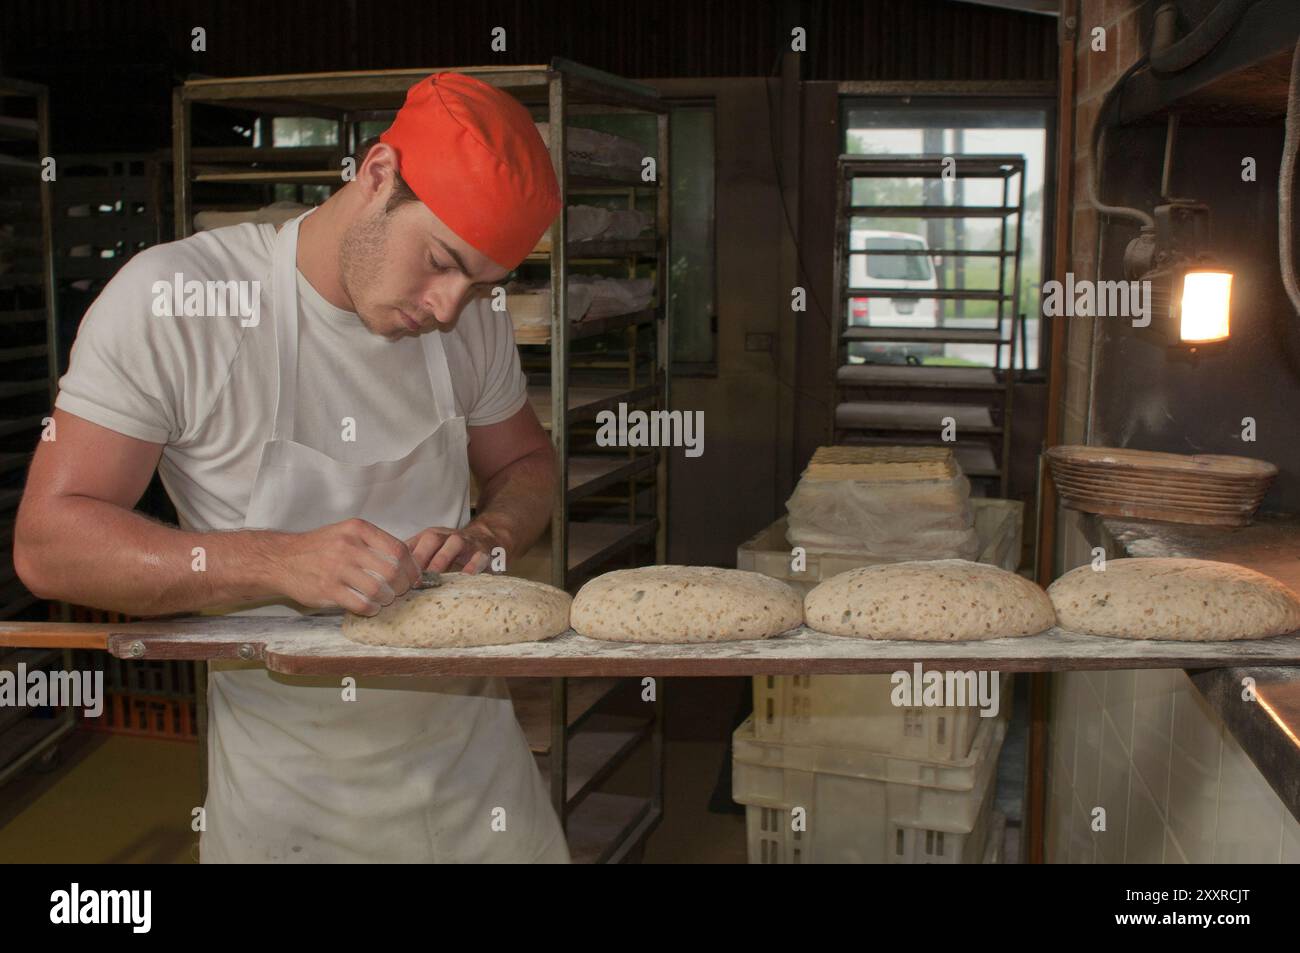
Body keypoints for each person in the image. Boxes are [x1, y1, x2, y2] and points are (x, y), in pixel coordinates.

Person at [14, 72, 569, 863]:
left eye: (482, 283)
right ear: (378, 175)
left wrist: (493, 529)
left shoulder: (469, 323)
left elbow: (524, 460)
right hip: (291, 812)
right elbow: (48, 542)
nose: (449, 307)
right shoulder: (179, 305)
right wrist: (282, 559)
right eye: (442, 261)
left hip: (478, 794)